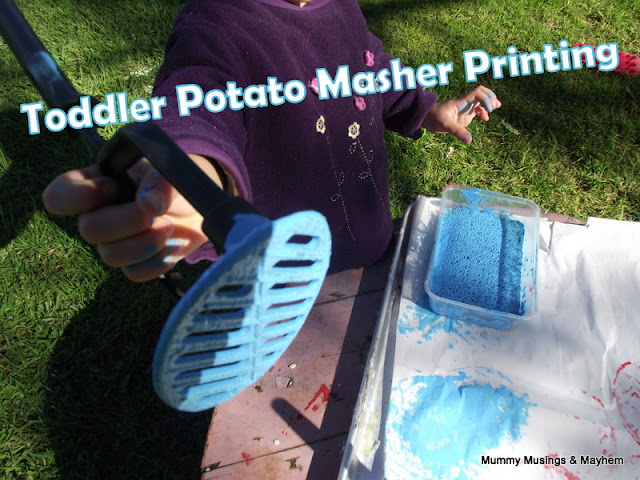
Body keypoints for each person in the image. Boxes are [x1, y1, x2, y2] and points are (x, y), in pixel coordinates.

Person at [42, 0, 502, 282]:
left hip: (366, 238)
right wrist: (193, 178)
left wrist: (425, 109)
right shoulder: (215, 26)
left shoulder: (338, 5)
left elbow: (369, 63)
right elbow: (195, 103)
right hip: (278, 275)